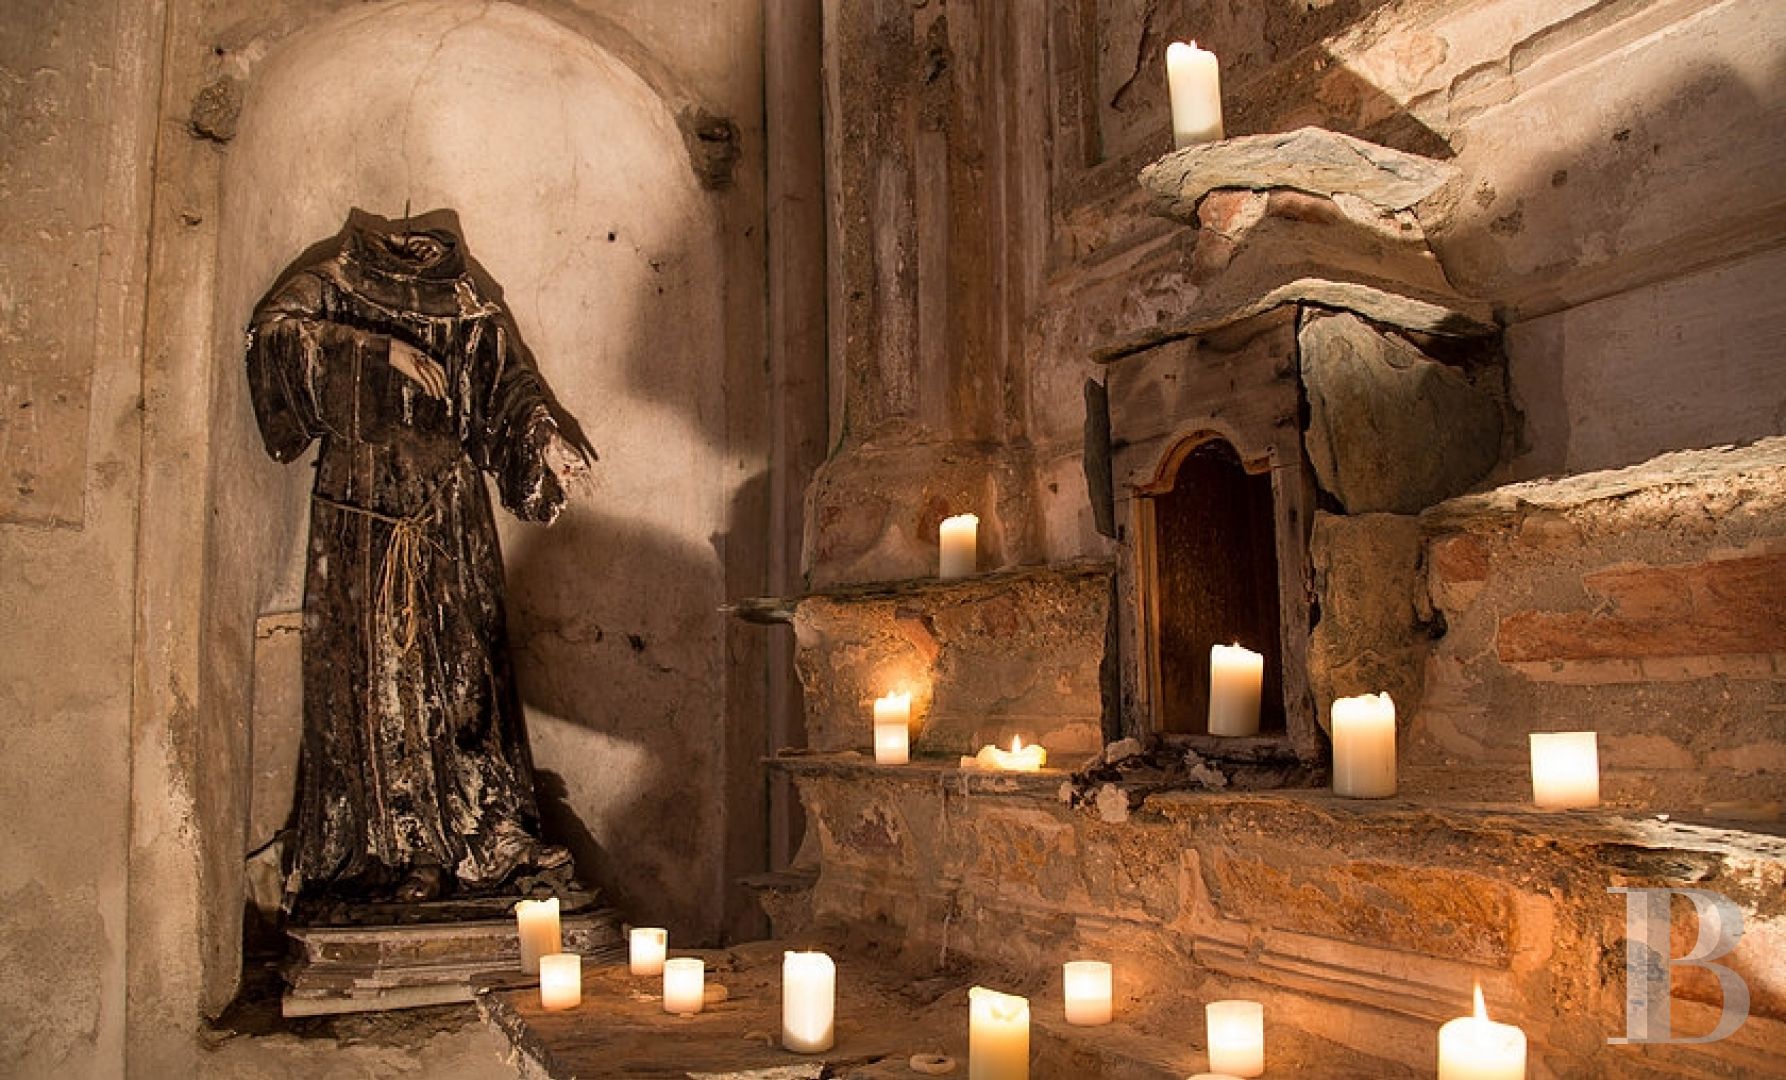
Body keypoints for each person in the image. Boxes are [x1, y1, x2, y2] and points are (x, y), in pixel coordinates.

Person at [246, 208, 593, 905]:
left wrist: (545, 439)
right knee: (382, 675)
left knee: (469, 669)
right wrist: (375, 351)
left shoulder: (464, 300)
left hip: (447, 510)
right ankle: (403, 847)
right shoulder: (335, 281)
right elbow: (274, 336)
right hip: (363, 509)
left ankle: (489, 830)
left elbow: (507, 388)